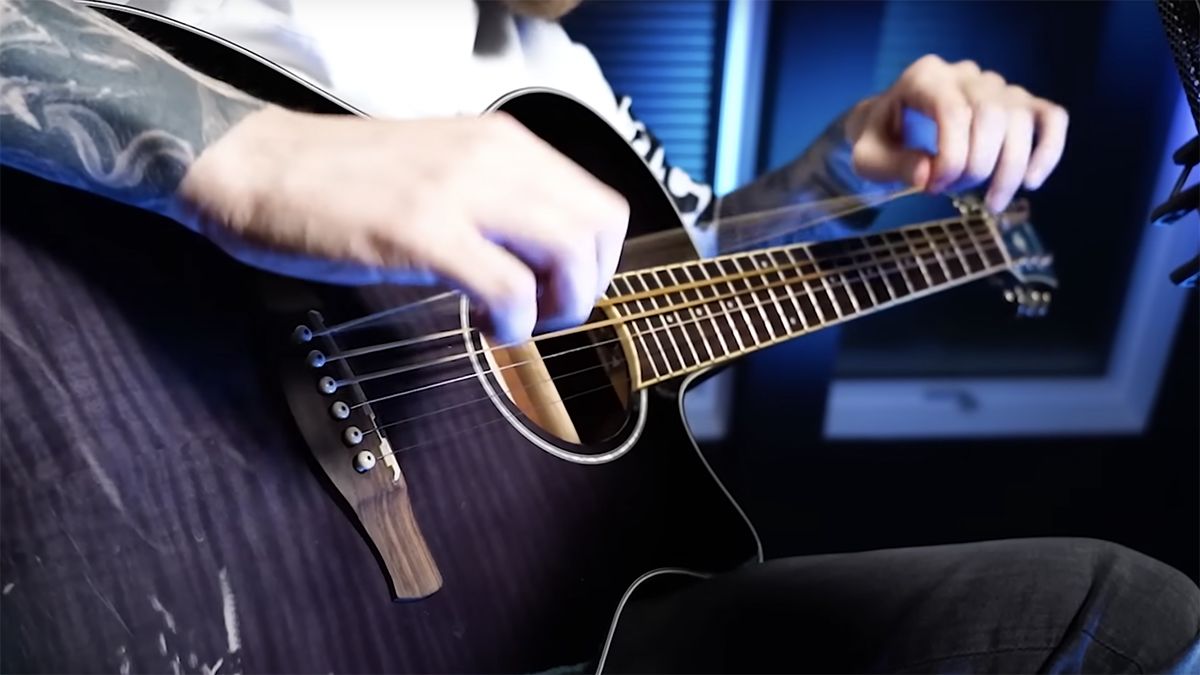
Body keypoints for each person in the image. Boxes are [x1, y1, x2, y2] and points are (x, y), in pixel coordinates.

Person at [0, 0, 1195, 673]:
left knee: (1114, 609)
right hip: (67, 414)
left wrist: (837, 174)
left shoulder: (558, 72)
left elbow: (633, 301)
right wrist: (244, 150)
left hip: (383, 624)